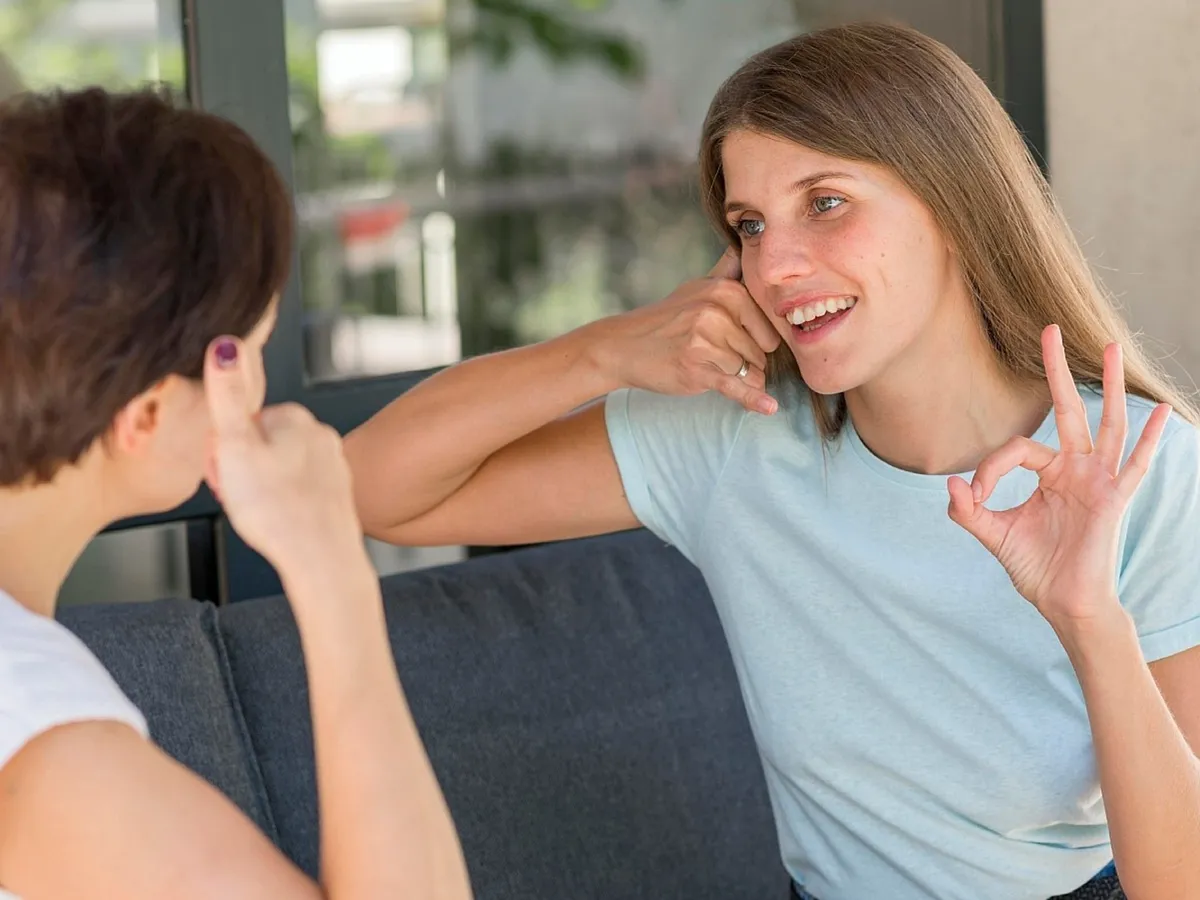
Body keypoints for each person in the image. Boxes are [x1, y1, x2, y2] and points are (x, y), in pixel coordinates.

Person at [344, 21, 1200, 900]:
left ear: (953, 204)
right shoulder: (734, 435)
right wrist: (605, 351)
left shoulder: (1138, 471)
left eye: (825, 203)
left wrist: (1089, 619)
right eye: (749, 225)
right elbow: (375, 491)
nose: (776, 265)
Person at [0, 87, 473, 900]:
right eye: (242, 353)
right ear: (145, 413)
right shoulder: (46, 746)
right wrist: (330, 567)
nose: (257, 391)